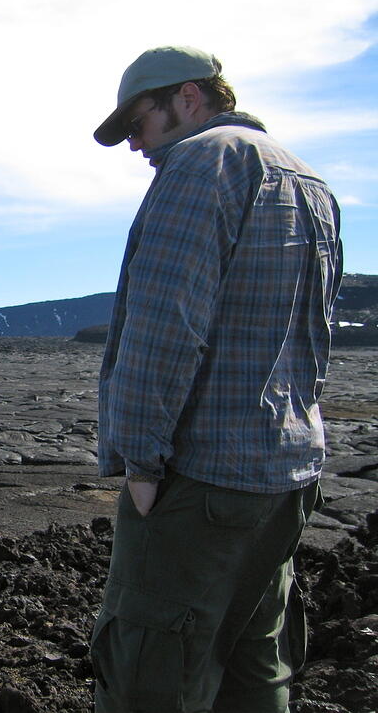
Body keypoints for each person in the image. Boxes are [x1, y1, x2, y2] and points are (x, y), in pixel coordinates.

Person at [88, 45, 343, 712]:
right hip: (282, 482)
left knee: (149, 673)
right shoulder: (309, 181)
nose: (135, 143)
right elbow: (311, 338)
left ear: (189, 99)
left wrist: (141, 463)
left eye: (137, 122)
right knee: (251, 667)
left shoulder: (201, 164)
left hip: (201, 484)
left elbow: (163, 325)